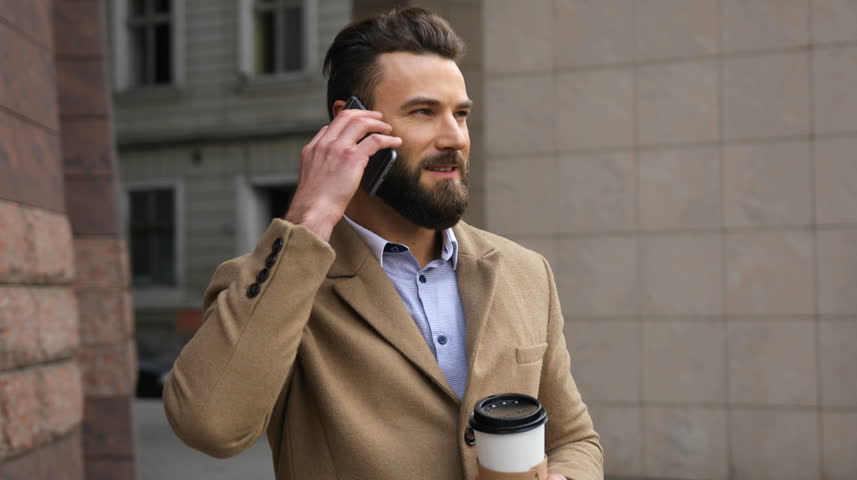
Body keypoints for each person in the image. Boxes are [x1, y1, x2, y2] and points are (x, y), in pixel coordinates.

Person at [163, 7, 602, 480]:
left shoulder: (524, 271)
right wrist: (310, 218)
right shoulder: (277, 282)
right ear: (350, 125)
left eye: (460, 114)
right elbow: (209, 426)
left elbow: (575, 439)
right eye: (423, 112)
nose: (455, 137)